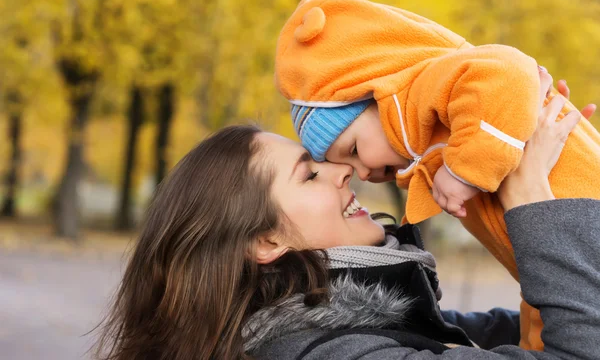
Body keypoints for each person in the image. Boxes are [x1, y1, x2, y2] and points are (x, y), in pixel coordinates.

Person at [92, 87, 600, 359]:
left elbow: (494, 335)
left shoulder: (342, 324)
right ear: (265, 240)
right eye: (309, 174)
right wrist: (532, 203)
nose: (342, 171)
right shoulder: (322, 351)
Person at [274, 0, 600, 349]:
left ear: (381, 98)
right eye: (348, 166)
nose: (361, 174)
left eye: (353, 151)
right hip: (562, 266)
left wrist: (465, 172)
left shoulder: (430, 89)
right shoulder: (441, 140)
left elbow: (508, 70)